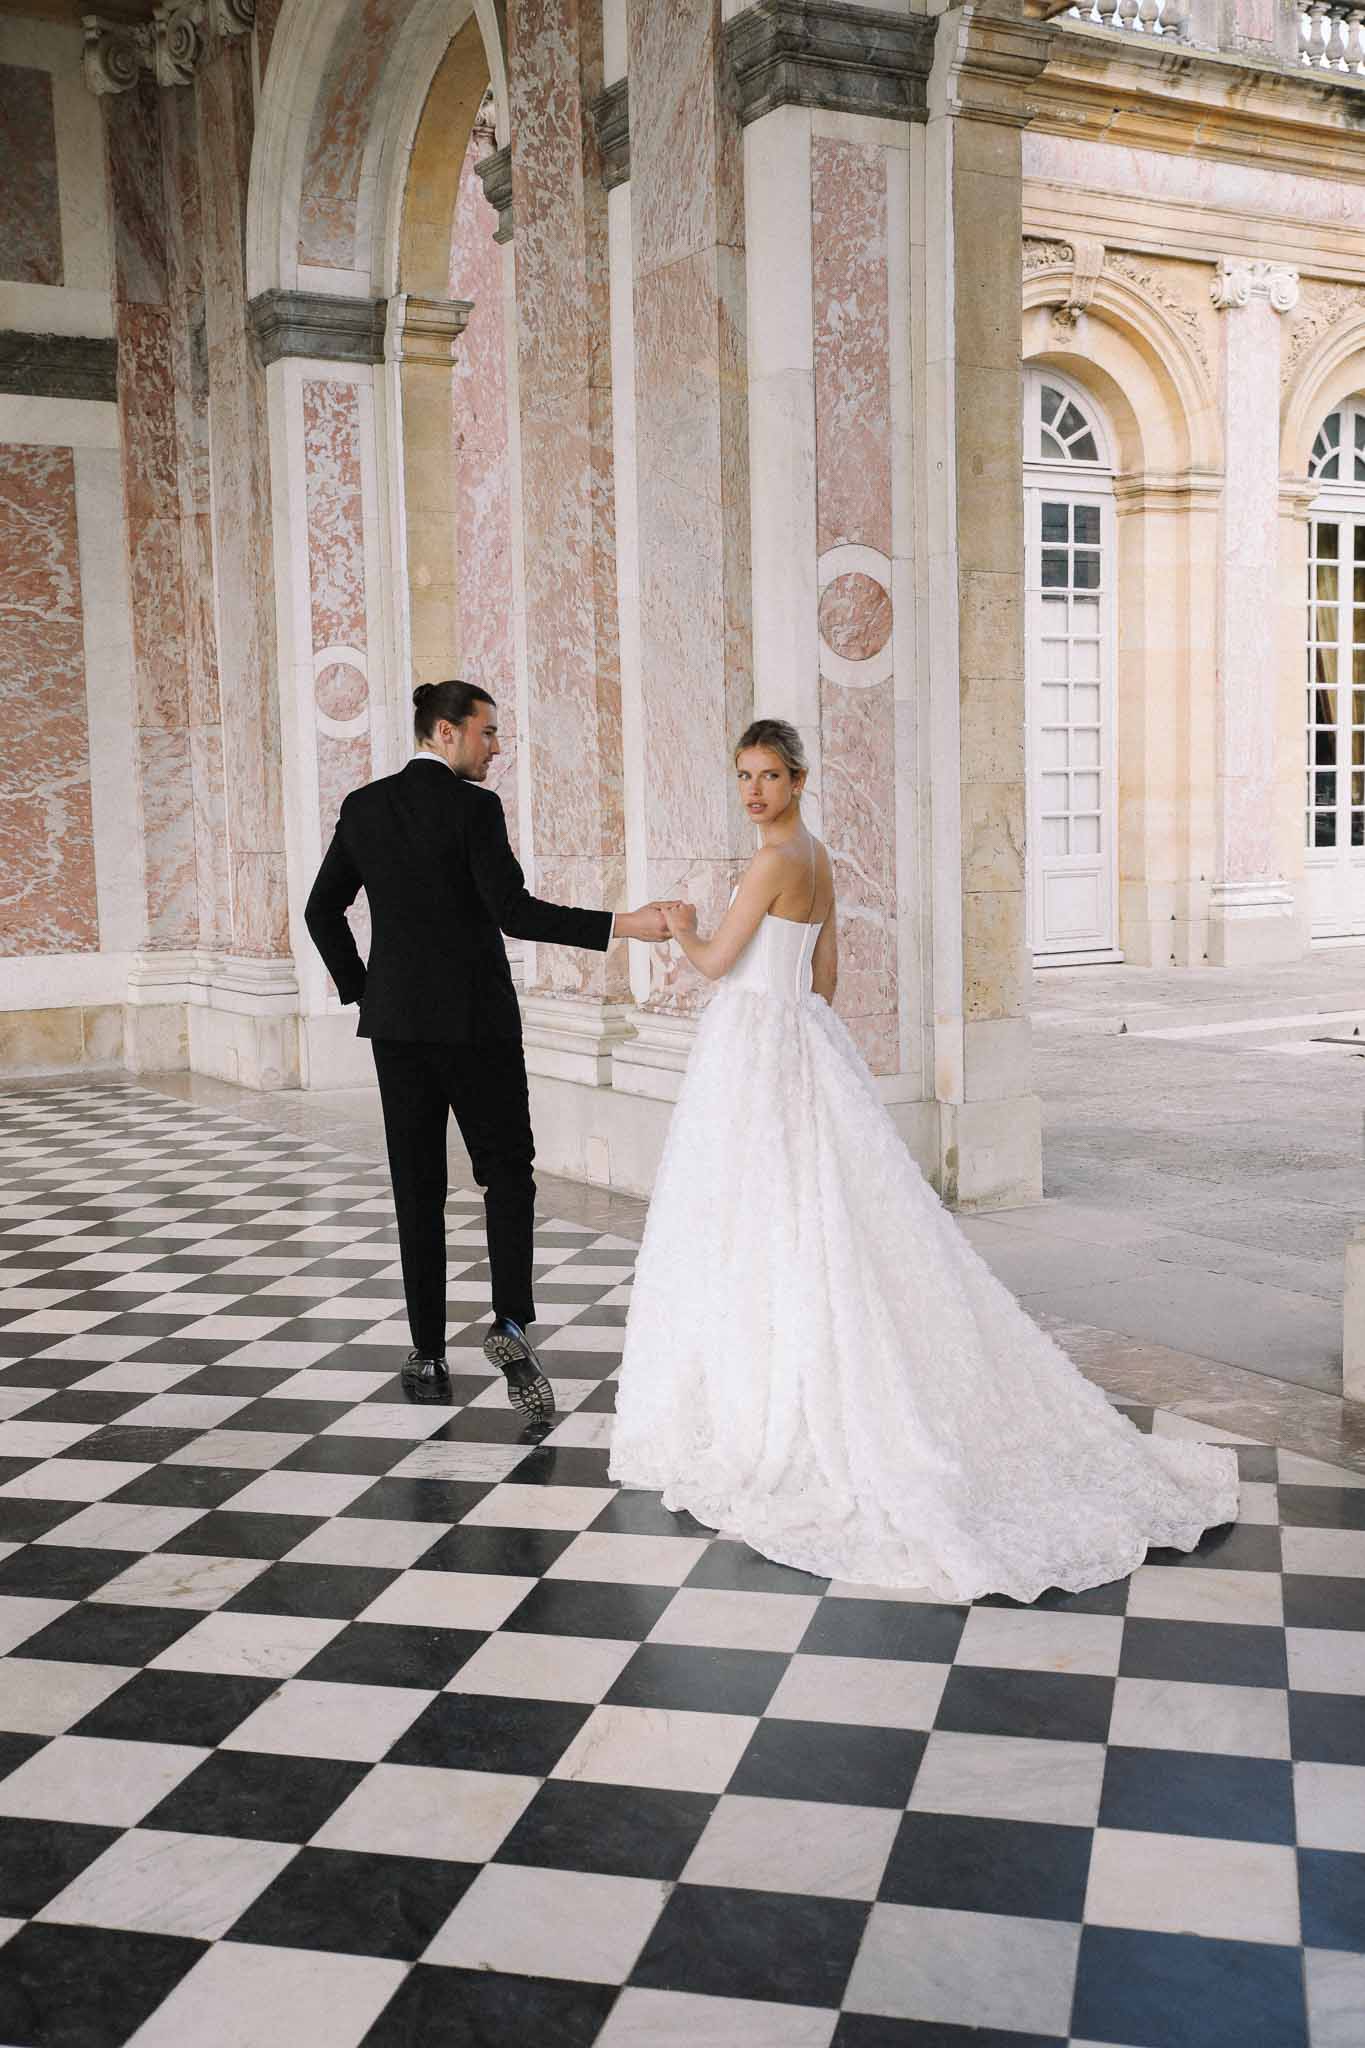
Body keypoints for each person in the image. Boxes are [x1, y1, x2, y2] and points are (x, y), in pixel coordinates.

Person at [608, 718, 1239, 1602]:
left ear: (797, 779)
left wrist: (675, 926)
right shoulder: (819, 857)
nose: (752, 792)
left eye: (767, 777)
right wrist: (779, 1012)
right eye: (743, 776)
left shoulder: (771, 862)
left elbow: (716, 963)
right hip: (799, 1041)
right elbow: (824, 979)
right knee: (805, 1215)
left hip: (752, 1048)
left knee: (756, 1219)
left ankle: (765, 1399)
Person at [304, 679, 669, 1423]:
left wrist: (362, 989)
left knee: (417, 1190)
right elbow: (515, 913)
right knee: (507, 1176)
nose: (497, 747)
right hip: (477, 1026)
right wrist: (624, 924)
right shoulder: (473, 808)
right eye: (488, 732)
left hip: (397, 1028)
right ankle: (507, 1323)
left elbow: (321, 910)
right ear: (445, 732)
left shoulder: (364, 806)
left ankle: (428, 1357)